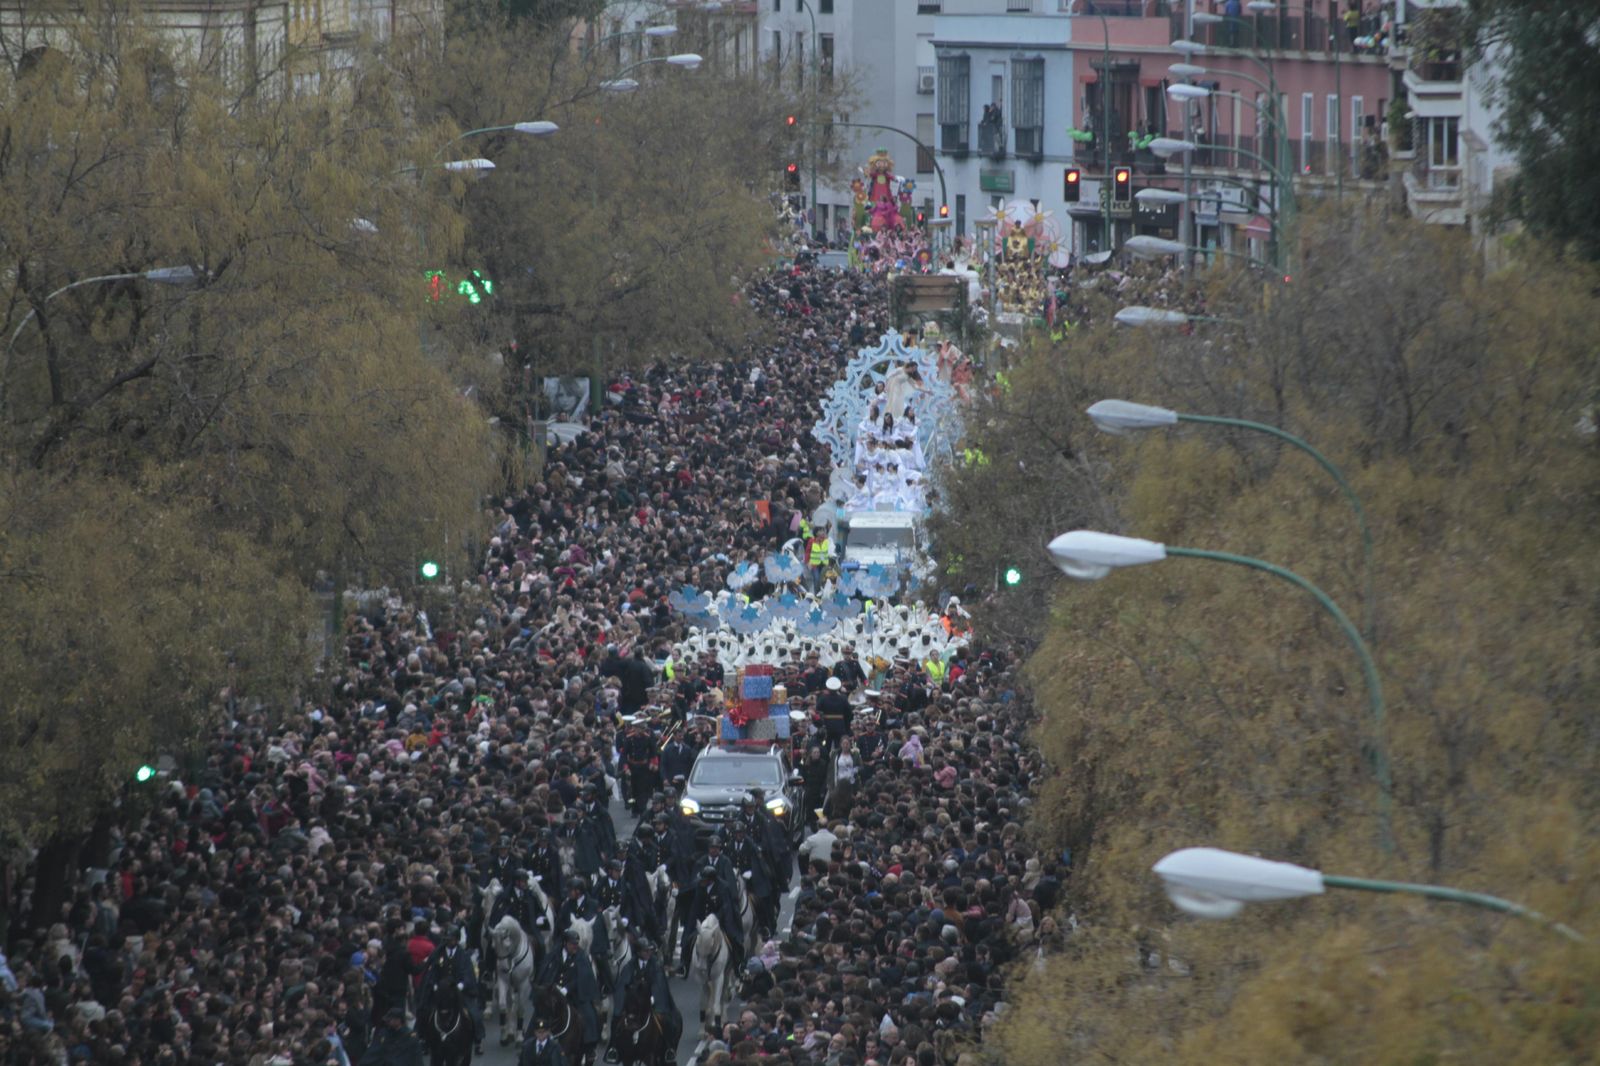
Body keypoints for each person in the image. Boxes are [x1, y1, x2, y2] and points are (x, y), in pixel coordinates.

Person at [607, 938, 681, 1064]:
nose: (648, 953)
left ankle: (669, 1049)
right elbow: (623, 985)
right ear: (638, 952)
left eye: (649, 951)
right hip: (633, 1004)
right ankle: (614, 1048)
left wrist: (654, 998)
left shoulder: (655, 965)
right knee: (617, 1022)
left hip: (651, 1003)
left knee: (667, 1022)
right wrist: (624, 1001)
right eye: (645, 951)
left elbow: (658, 983)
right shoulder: (630, 966)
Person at [415, 927, 486, 1055]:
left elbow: (467, 972)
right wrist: (434, 984)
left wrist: (462, 985)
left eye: (452, 939)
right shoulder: (438, 954)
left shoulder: (463, 955)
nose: (449, 942)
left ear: (457, 940)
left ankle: (478, 1040)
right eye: (447, 939)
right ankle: (424, 1039)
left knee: (473, 1013)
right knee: (425, 1011)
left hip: (457, 990)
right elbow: (432, 972)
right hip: (440, 991)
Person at [536, 929, 602, 1064]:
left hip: (574, 996)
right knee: (540, 1013)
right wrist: (552, 987)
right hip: (554, 993)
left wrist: (567, 989)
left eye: (576, 944)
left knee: (589, 1015)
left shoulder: (581, 956)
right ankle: (529, 1044)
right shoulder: (555, 954)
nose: (575, 946)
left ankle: (589, 1048)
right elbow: (548, 972)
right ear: (565, 943)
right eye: (572, 944)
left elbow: (582, 977)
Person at [361, 1006, 426, 1066]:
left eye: (390, 1019)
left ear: (398, 1020)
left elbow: (415, 1058)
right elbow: (375, 1051)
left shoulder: (409, 1037)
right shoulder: (385, 1033)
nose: (388, 1022)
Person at [817, 676, 852, 753]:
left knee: (826, 746)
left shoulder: (823, 698)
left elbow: (818, 709)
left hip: (827, 724)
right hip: (840, 725)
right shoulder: (843, 698)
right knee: (839, 746)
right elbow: (849, 713)